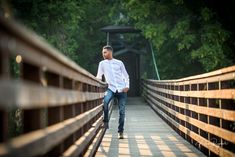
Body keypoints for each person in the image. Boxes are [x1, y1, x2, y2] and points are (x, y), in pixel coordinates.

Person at [96, 45, 129, 139]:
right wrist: (93, 81)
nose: (103, 54)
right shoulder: (102, 63)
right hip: (111, 88)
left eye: (105, 52)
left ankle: (120, 131)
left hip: (122, 90)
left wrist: (127, 86)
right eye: (103, 52)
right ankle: (106, 121)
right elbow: (99, 76)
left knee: (122, 111)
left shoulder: (119, 63)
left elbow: (126, 76)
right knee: (105, 102)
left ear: (110, 52)